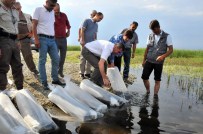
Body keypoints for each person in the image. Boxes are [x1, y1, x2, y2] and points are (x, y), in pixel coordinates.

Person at [33, 0, 65, 90]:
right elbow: (34, 25)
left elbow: (50, 26)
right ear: (46, 2)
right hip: (42, 39)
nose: (52, 7)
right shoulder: (38, 10)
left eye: (54, 6)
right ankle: (44, 82)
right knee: (42, 60)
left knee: (56, 59)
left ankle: (55, 79)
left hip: (52, 39)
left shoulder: (52, 13)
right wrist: (36, 39)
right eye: (51, 5)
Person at [142, 20, 173, 95]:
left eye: (154, 30)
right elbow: (147, 48)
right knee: (144, 77)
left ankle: (155, 96)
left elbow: (171, 50)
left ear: (158, 27)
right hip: (149, 61)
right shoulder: (150, 35)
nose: (154, 32)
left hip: (159, 63)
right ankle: (148, 91)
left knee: (157, 80)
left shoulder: (167, 36)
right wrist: (144, 60)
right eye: (152, 30)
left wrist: (163, 56)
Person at [0, 0, 24, 91]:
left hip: (14, 40)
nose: (14, 1)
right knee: (3, 66)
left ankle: (20, 90)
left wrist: (17, 40)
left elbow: (15, 26)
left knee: (18, 66)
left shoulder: (14, 9)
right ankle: (1, 92)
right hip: (3, 40)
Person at [14, 2, 39, 79]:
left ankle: (34, 70)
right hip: (14, 40)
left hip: (25, 40)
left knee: (28, 56)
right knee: (15, 58)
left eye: (18, 8)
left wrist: (31, 33)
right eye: (15, 9)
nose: (17, 10)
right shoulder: (10, 17)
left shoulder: (27, 16)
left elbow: (34, 25)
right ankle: (18, 74)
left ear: (21, 7)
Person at [79, 12, 103, 79]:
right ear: (97, 15)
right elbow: (82, 30)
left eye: (101, 19)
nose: (100, 20)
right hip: (84, 43)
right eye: (100, 18)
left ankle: (88, 73)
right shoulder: (87, 20)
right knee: (83, 58)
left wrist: (96, 42)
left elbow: (95, 34)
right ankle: (81, 73)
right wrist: (82, 40)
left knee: (90, 59)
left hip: (91, 44)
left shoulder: (96, 25)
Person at [54, 3, 71, 78]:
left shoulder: (64, 15)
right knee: (55, 57)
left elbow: (68, 24)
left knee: (63, 57)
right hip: (55, 39)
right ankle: (55, 73)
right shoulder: (50, 16)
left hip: (64, 39)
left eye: (58, 10)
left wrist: (68, 31)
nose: (57, 12)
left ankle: (60, 71)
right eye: (55, 10)